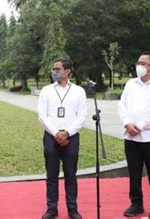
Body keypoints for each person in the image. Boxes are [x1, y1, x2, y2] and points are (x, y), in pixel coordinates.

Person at [118, 51, 150, 219]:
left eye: (143, 63)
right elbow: (122, 105)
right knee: (134, 172)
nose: (139, 66)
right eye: (138, 62)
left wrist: (139, 126)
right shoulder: (131, 84)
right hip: (130, 136)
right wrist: (127, 123)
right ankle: (136, 203)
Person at [38, 58, 87, 219]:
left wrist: (67, 132)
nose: (54, 71)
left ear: (67, 71)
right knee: (51, 175)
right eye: (53, 69)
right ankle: (52, 208)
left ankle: (72, 208)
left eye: (57, 69)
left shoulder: (79, 91)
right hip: (51, 137)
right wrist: (56, 133)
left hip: (71, 137)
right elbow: (42, 115)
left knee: (70, 175)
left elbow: (81, 116)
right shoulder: (46, 90)